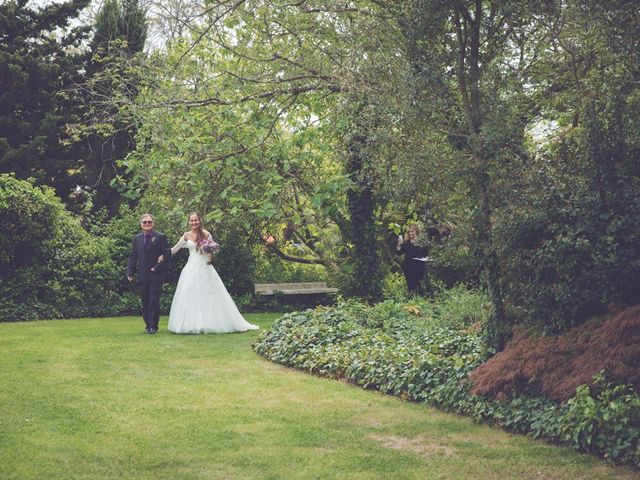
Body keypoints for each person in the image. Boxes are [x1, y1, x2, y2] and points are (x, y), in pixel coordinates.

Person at [164, 212, 258, 334]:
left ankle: (210, 322)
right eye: (191, 221)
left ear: (200, 220)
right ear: (188, 222)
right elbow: (175, 249)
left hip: (204, 267)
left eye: (196, 220)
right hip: (191, 267)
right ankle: (189, 324)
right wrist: (163, 255)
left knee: (208, 293)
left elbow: (211, 251)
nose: (194, 223)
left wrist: (209, 259)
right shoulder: (186, 236)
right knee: (189, 291)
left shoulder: (206, 234)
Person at [127, 213, 172, 334]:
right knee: (145, 300)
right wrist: (130, 271)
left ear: (153, 223)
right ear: (141, 224)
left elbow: (167, 253)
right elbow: (133, 256)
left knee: (154, 300)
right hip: (143, 275)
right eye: (144, 222)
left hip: (156, 274)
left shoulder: (160, 237)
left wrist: (157, 266)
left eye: (149, 222)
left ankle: (154, 326)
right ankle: (147, 325)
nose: (147, 224)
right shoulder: (136, 238)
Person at [396, 224, 430, 295]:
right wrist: (399, 244)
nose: (411, 233)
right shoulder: (406, 243)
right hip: (408, 267)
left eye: (412, 231)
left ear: (417, 232)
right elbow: (399, 252)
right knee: (410, 285)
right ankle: (411, 300)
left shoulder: (421, 243)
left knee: (418, 284)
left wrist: (419, 241)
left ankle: (419, 299)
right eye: (409, 232)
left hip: (418, 267)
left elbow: (426, 253)